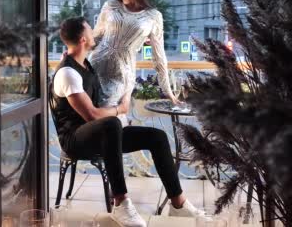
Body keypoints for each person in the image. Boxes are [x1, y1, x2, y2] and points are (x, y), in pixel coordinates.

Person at [50, 17, 203, 227]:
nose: (94, 32)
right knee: (111, 123)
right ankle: (120, 203)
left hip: (100, 134)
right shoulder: (67, 73)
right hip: (75, 140)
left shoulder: (85, 63)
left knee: (156, 137)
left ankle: (178, 204)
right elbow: (92, 116)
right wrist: (120, 109)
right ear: (83, 38)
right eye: (90, 29)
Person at [89, 0, 180, 126]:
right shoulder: (110, 6)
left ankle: (113, 146)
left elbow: (159, 57)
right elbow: (95, 37)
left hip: (120, 75)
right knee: (88, 116)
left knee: (106, 120)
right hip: (93, 67)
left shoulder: (154, 17)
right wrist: (72, 53)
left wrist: (168, 92)